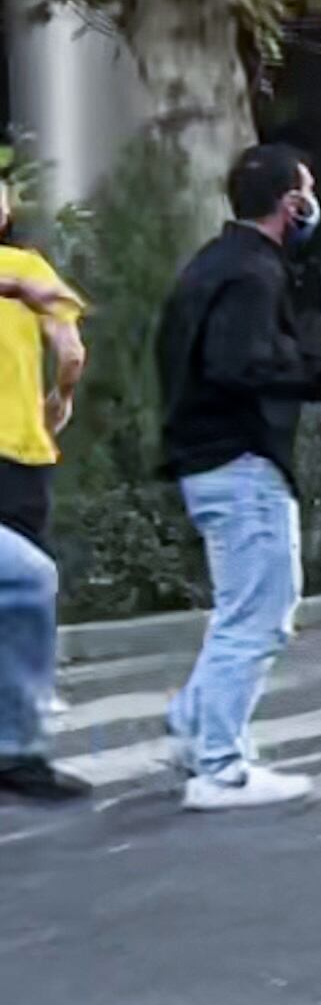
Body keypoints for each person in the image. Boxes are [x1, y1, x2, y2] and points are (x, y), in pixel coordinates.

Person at [155, 145, 321, 812]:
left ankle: (196, 727)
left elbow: (242, 359)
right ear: (292, 204)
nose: (314, 203)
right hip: (241, 463)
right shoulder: (255, 275)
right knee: (261, 616)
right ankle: (220, 768)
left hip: (209, 458)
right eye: (308, 190)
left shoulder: (213, 264)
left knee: (241, 611)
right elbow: (244, 364)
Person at [0, 165, 86, 802]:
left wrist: (58, 400)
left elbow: (73, 351)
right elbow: (72, 351)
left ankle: (16, 743)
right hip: (21, 455)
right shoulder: (24, 272)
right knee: (25, 583)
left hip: (23, 455)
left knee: (21, 586)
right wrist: (61, 396)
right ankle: (17, 747)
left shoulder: (27, 269)